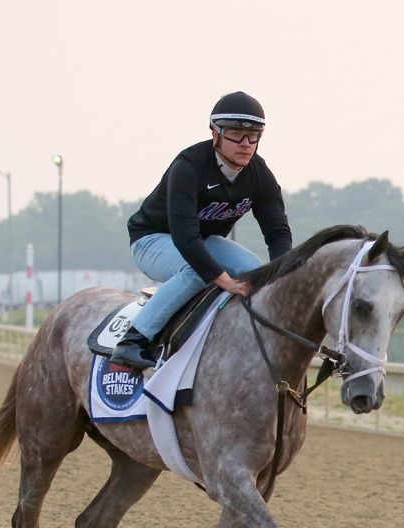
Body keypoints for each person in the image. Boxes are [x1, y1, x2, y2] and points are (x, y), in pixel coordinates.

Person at [110, 91, 294, 370]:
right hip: (152, 239)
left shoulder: (259, 173)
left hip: (203, 240)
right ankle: (133, 341)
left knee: (252, 269)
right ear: (215, 133)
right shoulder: (189, 166)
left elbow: (278, 232)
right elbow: (185, 237)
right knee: (198, 272)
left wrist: (282, 276)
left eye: (253, 136)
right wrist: (225, 281)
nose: (246, 144)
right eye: (235, 134)